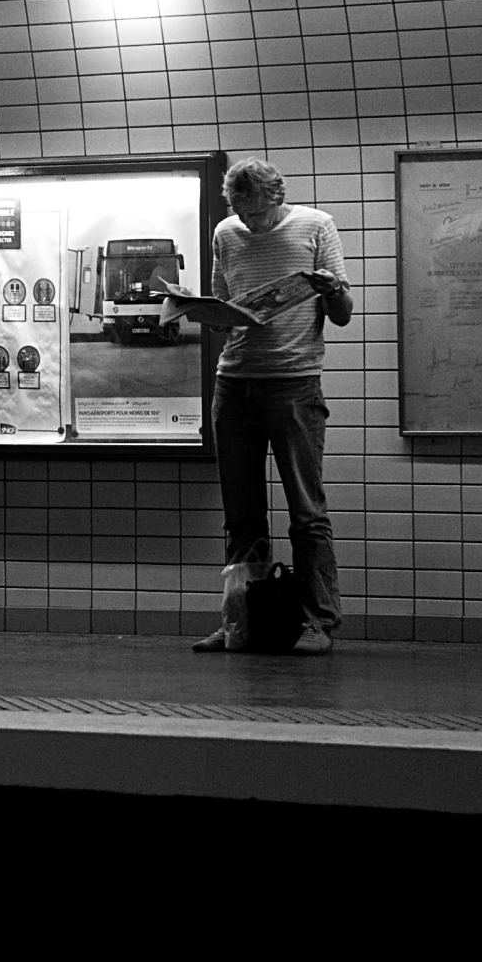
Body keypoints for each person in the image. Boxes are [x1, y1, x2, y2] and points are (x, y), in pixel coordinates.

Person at [192, 158, 353, 655]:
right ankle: (240, 622)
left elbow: (343, 316)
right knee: (241, 516)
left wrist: (331, 292)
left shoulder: (316, 226)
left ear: (277, 199)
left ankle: (317, 623)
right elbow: (223, 306)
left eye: (257, 214)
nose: (250, 224)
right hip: (234, 383)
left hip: (294, 384)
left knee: (306, 512)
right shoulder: (226, 232)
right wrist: (203, 311)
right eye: (241, 213)